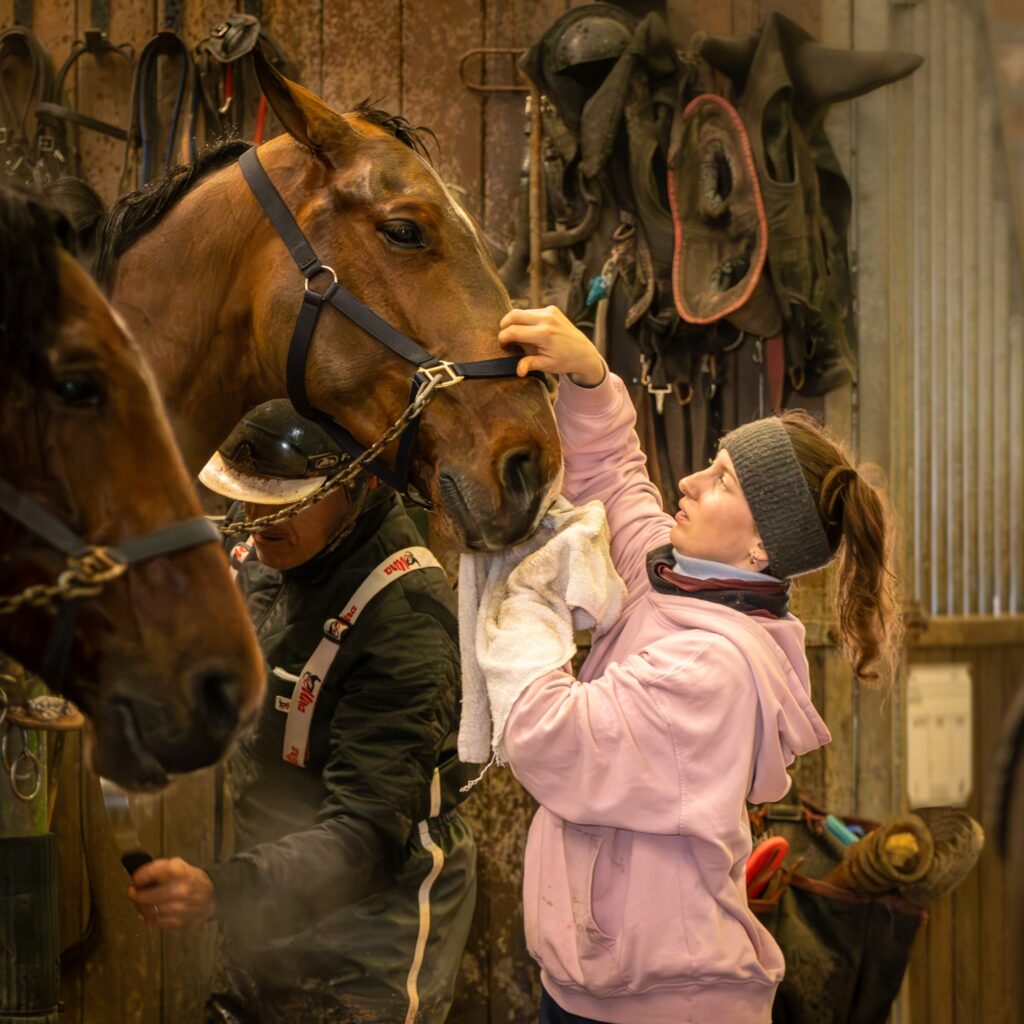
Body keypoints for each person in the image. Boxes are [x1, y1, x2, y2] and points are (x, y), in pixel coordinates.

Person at [490, 306, 901, 1024]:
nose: (689, 484)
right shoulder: (672, 579)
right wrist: (589, 378)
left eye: (722, 482)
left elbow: (552, 736)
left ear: (760, 551)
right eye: (710, 465)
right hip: (586, 987)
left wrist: (525, 601)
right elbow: (619, 481)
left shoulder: (715, 668)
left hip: (664, 1008)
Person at [127, 400, 477, 1024]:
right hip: (267, 901)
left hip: (370, 939)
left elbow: (364, 833)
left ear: (363, 483)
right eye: (249, 496)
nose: (261, 518)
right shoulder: (272, 542)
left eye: (287, 496)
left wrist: (221, 888)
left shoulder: (406, 624)